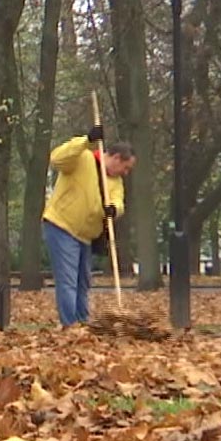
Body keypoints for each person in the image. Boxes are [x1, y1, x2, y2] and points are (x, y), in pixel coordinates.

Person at [42, 132, 134, 326]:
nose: (126, 173)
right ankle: (70, 326)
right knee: (68, 280)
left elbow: (119, 202)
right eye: (125, 167)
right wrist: (86, 140)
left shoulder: (115, 182)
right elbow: (57, 158)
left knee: (83, 282)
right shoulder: (82, 158)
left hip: (86, 235)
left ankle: (83, 322)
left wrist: (113, 209)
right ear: (116, 158)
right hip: (62, 225)